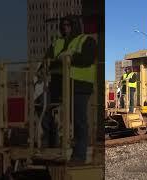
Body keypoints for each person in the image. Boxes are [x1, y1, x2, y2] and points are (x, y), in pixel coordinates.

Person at [42, 15, 96, 163]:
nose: (65, 27)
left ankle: (79, 155)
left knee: (78, 121)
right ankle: (50, 150)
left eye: (68, 24)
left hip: (79, 85)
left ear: (75, 25)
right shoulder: (57, 43)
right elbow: (47, 61)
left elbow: (87, 59)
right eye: (63, 25)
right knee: (48, 117)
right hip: (58, 85)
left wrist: (69, 57)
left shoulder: (86, 40)